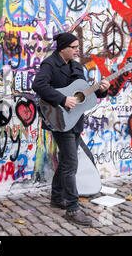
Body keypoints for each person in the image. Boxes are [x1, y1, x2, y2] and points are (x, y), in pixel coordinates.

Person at [32, 32, 110, 226]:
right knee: (71, 164)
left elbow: (83, 93)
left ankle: (57, 197)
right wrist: (62, 99)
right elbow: (38, 85)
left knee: (67, 160)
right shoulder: (50, 64)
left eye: (78, 47)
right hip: (59, 120)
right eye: (74, 47)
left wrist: (101, 89)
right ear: (63, 48)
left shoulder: (75, 66)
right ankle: (73, 209)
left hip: (75, 120)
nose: (77, 50)